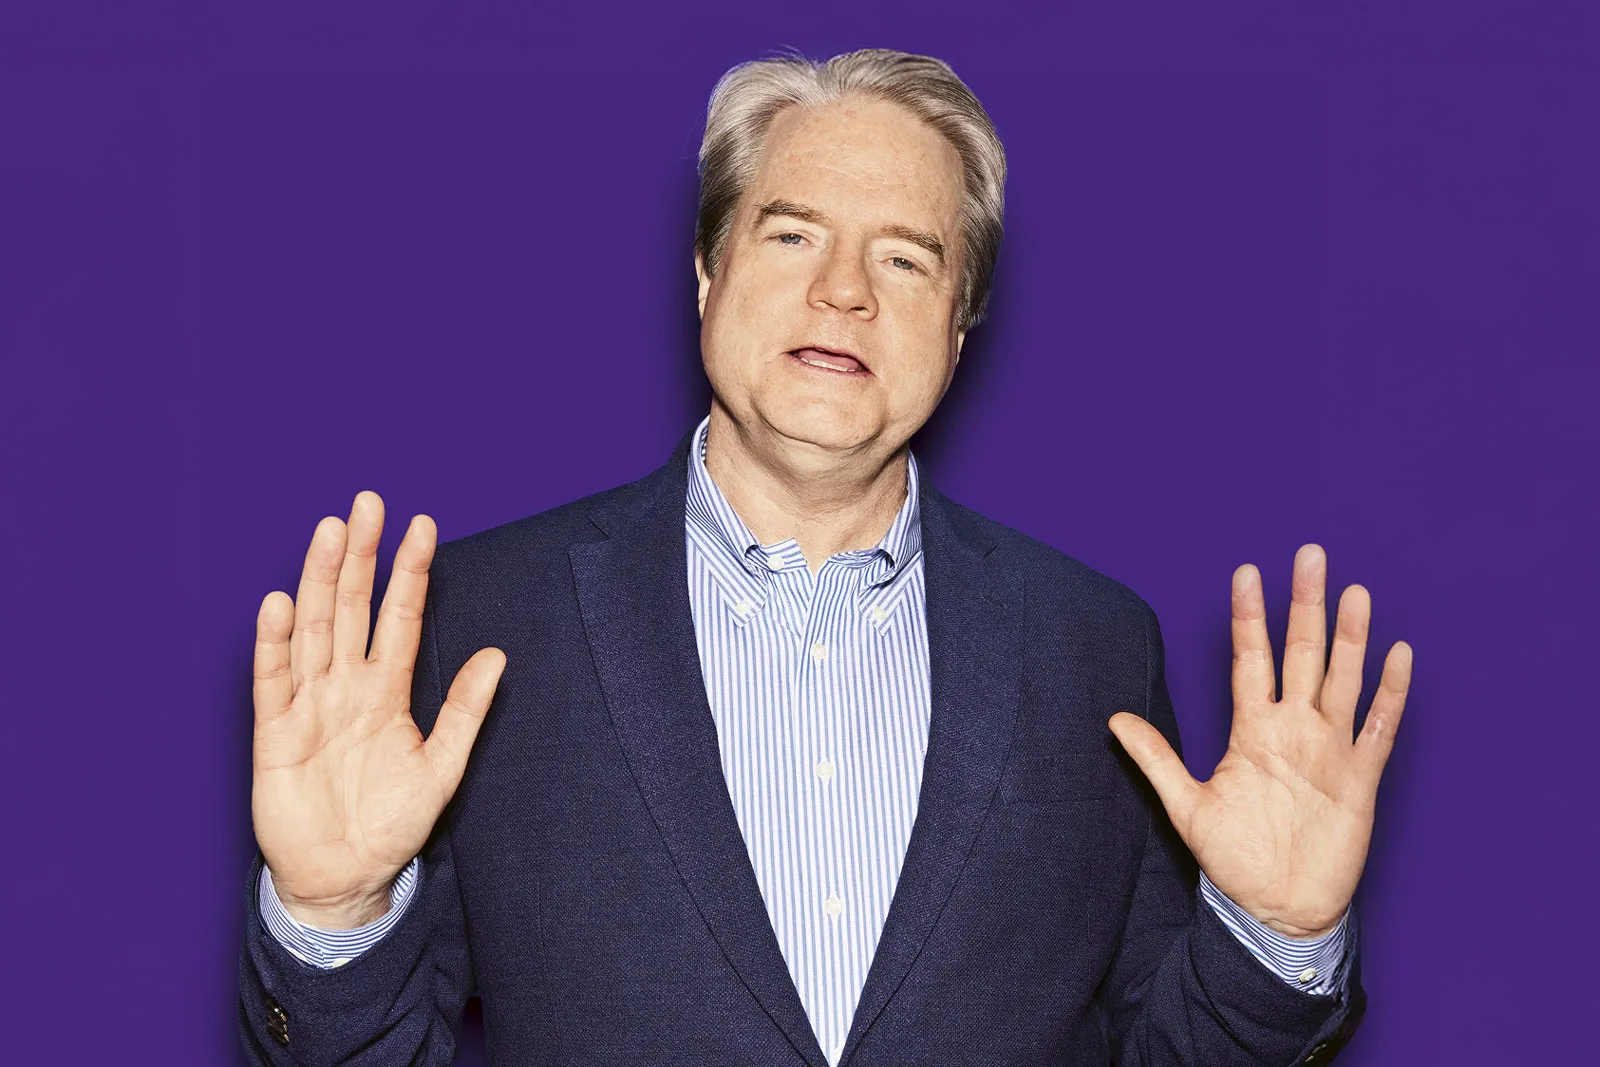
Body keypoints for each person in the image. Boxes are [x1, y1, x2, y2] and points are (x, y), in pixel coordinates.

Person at [240, 49, 1411, 1065]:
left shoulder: (1093, 642)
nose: (842, 290)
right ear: (707, 274)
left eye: (904, 259)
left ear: (955, 332)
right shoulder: (487, 620)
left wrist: (1271, 934)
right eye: (792, 232)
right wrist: (333, 910)